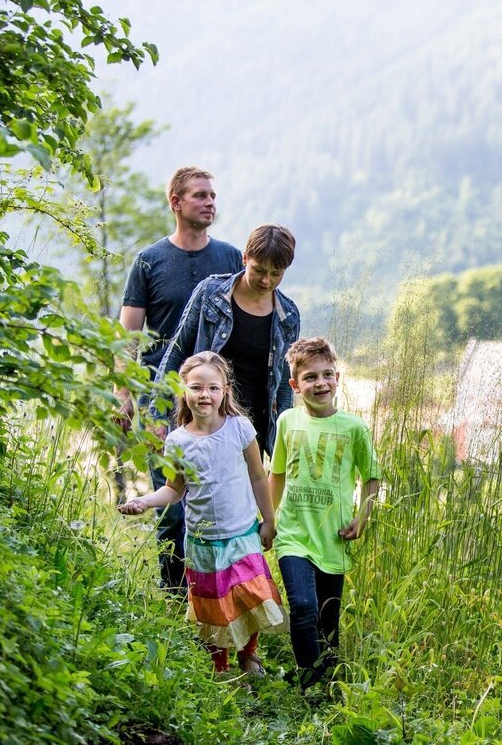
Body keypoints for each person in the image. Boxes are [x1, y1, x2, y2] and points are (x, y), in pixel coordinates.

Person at [118, 352, 286, 676]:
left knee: (250, 598)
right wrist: (144, 501)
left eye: (212, 388)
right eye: (196, 388)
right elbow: (174, 489)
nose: (204, 395)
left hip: (242, 534)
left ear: (225, 391)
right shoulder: (178, 441)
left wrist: (269, 521)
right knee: (213, 608)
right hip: (203, 539)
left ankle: (248, 655)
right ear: (183, 391)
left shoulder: (240, 428)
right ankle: (219, 668)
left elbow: (257, 475)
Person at [117, 166, 242, 595]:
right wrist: (125, 397)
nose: (210, 203)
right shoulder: (149, 262)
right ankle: (175, 603)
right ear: (176, 203)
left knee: (220, 505)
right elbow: (128, 337)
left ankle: (221, 601)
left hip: (215, 403)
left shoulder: (230, 259)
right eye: (200, 196)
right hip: (162, 402)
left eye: (212, 195)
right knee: (171, 507)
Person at [270, 338, 381, 688]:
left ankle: (331, 680)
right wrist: (269, 521)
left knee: (327, 619)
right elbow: (277, 473)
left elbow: (372, 478)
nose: (320, 383)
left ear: (338, 378)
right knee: (302, 607)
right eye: (310, 377)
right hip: (293, 534)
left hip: (333, 536)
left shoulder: (354, 428)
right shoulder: (287, 421)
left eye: (327, 375)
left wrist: (361, 519)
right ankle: (310, 684)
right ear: (294, 385)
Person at [154, 223, 300, 456]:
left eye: (276, 274)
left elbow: (283, 389)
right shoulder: (209, 293)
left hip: (252, 433)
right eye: (260, 270)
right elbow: (177, 351)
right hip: (202, 421)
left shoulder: (288, 317)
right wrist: (158, 415)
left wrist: (283, 445)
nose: (266, 281)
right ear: (245, 258)